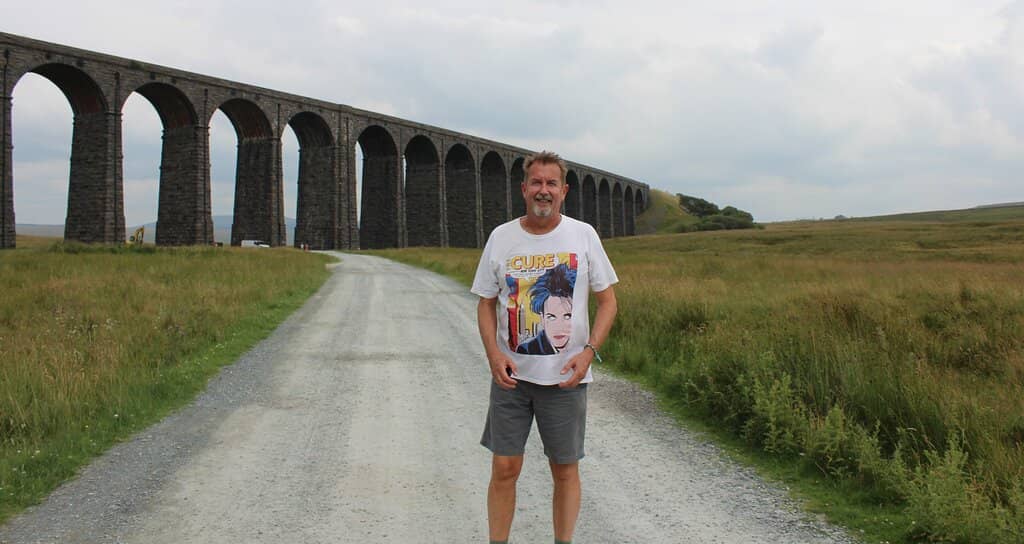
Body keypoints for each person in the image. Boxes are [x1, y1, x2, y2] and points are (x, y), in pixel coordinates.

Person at [471, 150, 618, 544]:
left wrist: (588, 351)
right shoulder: (501, 237)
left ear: (564, 190)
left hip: (566, 380)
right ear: (523, 189)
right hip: (512, 379)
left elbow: (608, 302)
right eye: (536, 182)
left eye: (551, 183)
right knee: (504, 467)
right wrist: (493, 354)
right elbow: (485, 302)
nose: (543, 190)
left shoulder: (583, 234)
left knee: (565, 469)